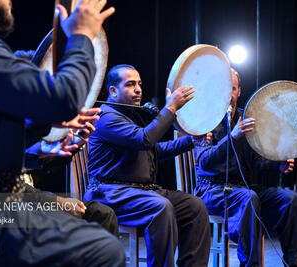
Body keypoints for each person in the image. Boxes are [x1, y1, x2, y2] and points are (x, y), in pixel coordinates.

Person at [0, 0, 125, 266]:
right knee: (103, 249)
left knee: (89, 226)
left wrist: (45, 126)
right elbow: (65, 98)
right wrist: (82, 35)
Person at [84, 64, 211, 267]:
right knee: (160, 207)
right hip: (110, 193)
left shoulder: (129, 116)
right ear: (113, 91)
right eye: (130, 84)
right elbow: (144, 139)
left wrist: (191, 140)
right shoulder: (106, 118)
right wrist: (170, 108)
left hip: (139, 192)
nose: (138, 89)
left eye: (140, 84)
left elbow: (154, 150)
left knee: (194, 206)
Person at [193, 68, 297, 267]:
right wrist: (232, 137)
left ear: (239, 92)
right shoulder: (204, 118)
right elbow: (203, 162)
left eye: (232, 89)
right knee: (248, 198)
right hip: (211, 189)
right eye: (223, 89)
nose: (228, 94)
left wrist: (277, 165)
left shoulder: (246, 118)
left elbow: (255, 161)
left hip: (243, 189)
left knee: (289, 199)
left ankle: (293, 264)